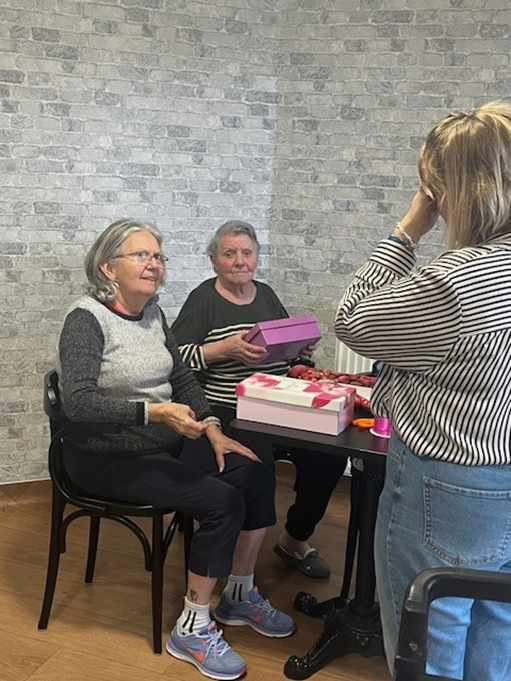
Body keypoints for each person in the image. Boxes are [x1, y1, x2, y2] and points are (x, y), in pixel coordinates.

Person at [57, 218, 295, 681]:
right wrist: (155, 413)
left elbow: (182, 378)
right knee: (222, 501)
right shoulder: (85, 319)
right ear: (108, 267)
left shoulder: (153, 313)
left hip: (162, 443)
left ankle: (238, 596)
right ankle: (192, 627)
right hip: (104, 455)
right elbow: (79, 403)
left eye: (158, 256)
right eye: (141, 255)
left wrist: (211, 427)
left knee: (253, 470)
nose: (154, 264)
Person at [334, 102, 511, 681]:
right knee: (498, 625)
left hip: (452, 482)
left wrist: (407, 229)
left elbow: (353, 319)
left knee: (433, 635)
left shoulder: (459, 279)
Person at [171, 220, 347, 579]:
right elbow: (174, 359)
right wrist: (223, 349)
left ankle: (294, 538)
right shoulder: (203, 299)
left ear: (257, 257)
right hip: (228, 407)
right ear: (214, 261)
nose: (240, 261)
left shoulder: (266, 294)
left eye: (247, 252)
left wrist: (300, 350)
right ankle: (238, 568)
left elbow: (285, 349)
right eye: (229, 253)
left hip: (275, 402)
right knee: (258, 464)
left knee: (329, 456)